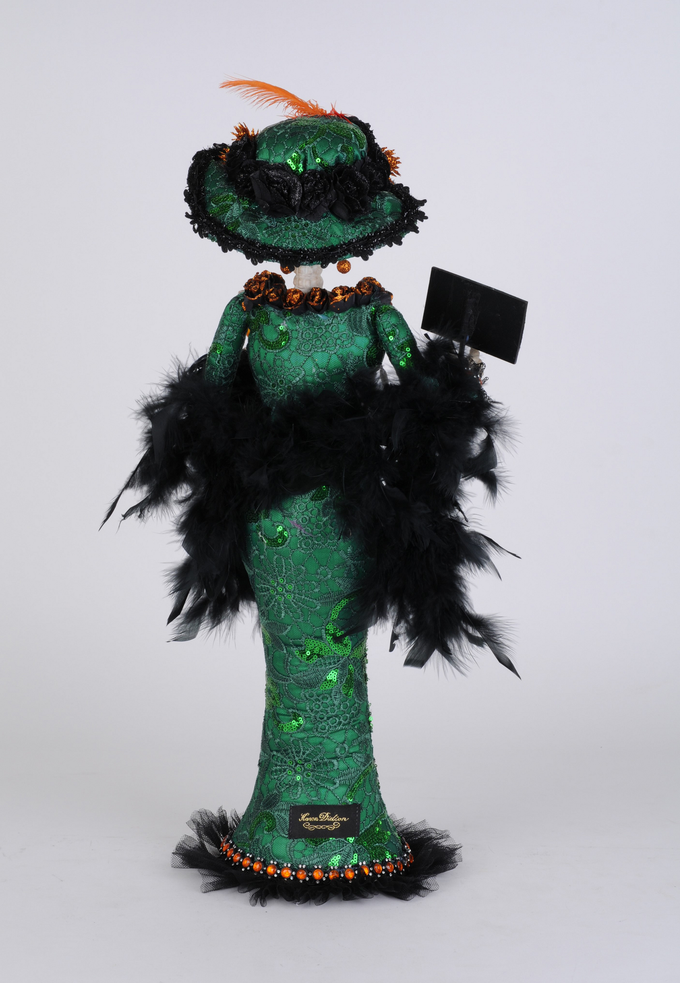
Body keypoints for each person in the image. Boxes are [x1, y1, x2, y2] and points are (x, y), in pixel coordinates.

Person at [105, 80, 514, 904]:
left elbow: (420, 400)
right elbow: (208, 399)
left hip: (345, 513)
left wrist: (457, 371)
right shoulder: (258, 311)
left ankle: (336, 823)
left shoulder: (361, 313)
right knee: (296, 656)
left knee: (337, 654)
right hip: (280, 520)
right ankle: (300, 822)